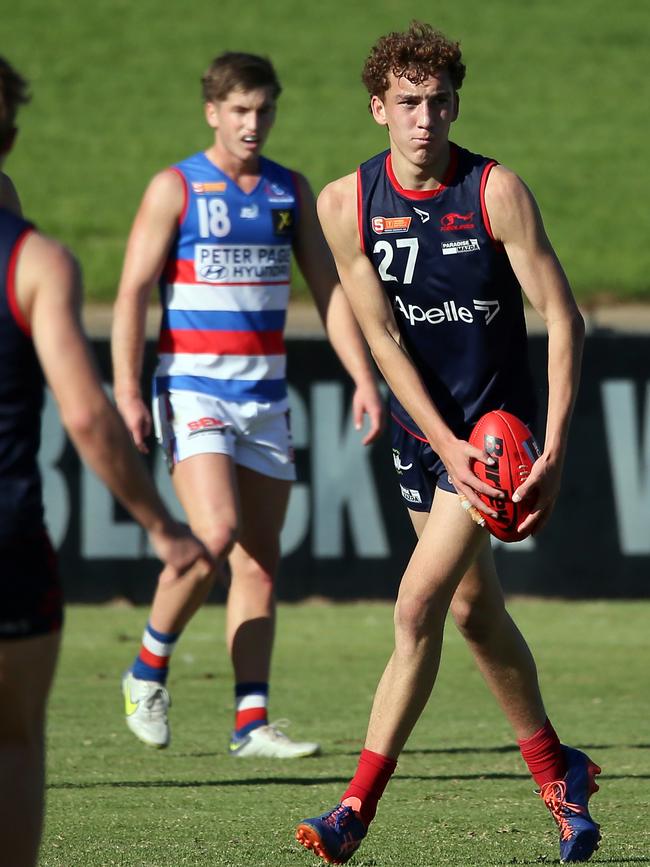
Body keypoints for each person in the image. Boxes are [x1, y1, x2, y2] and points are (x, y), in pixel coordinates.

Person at [296, 22, 600, 864]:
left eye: (437, 102)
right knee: (472, 609)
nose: (424, 118)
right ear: (377, 110)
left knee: (416, 604)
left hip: (496, 438)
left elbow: (563, 322)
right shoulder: (343, 204)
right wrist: (439, 441)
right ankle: (560, 771)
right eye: (407, 103)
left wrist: (557, 448)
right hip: (423, 436)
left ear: (456, 104)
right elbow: (382, 338)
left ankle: (354, 807)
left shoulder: (495, 191)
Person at [111, 52, 383, 758]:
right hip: (194, 389)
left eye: (263, 109)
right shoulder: (176, 187)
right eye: (239, 110)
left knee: (260, 563)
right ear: (212, 112)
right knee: (217, 533)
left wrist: (362, 376)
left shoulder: (288, 192)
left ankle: (250, 722)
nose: (252, 122)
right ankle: (146, 668)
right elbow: (133, 292)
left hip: (264, 398)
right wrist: (128, 388)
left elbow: (330, 293)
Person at [0, 59, 214, 867]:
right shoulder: (37, 261)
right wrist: (163, 528)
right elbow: (86, 415)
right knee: (13, 743)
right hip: (8, 536)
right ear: (11, 140)